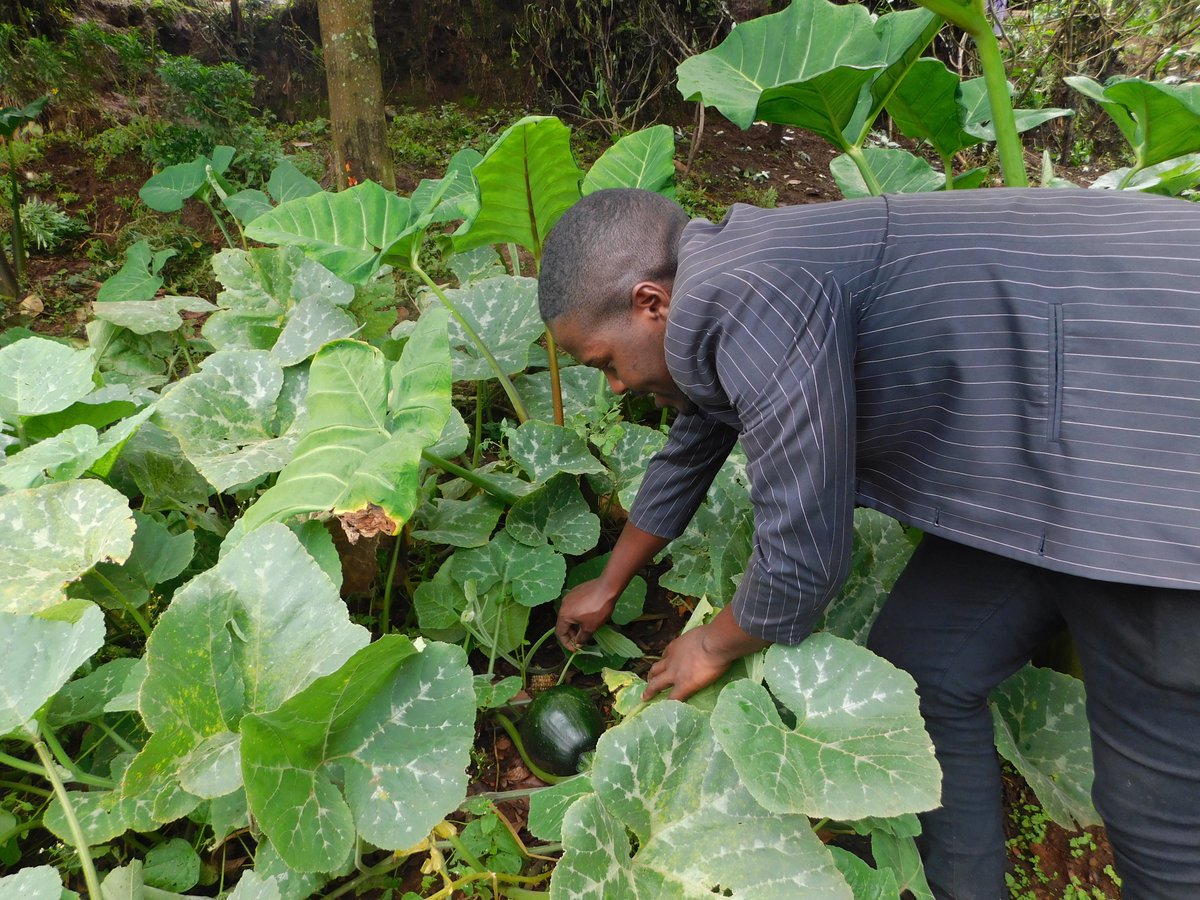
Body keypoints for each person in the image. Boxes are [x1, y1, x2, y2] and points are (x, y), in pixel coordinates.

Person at [536, 186, 1200, 900]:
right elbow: (699, 433)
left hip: (1149, 444)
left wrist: (712, 643)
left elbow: (804, 559)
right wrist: (612, 579)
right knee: (926, 674)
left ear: (649, 303)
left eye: (604, 362)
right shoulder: (729, 282)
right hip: (1041, 453)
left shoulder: (754, 294)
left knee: (1155, 823)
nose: (612, 387)